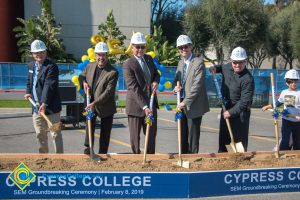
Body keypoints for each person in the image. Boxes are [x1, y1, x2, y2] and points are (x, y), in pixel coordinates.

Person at [210, 47, 254, 152]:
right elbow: (220, 67)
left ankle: (239, 163)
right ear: (231, 61)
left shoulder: (248, 79)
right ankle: (222, 160)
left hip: (240, 113)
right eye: (235, 62)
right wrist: (215, 68)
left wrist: (231, 112)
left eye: (241, 62)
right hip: (226, 107)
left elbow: (245, 101)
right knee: (224, 139)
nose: (237, 65)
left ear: (245, 61)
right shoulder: (227, 67)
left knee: (239, 143)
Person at [123, 32, 160, 154]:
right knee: (135, 139)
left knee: (151, 135)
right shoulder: (128, 64)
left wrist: (155, 81)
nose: (140, 49)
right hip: (136, 106)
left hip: (151, 104)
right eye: (137, 46)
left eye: (142, 46)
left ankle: (150, 159)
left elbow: (156, 74)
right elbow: (133, 87)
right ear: (132, 47)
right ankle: (137, 160)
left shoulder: (149, 59)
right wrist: (144, 106)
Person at [24, 39, 63, 153]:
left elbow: (49, 85)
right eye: (36, 53)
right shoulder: (31, 65)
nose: (39, 55)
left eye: (41, 52)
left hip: (51, 108)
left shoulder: (51, 66)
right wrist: (27, 91)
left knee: (55, 134)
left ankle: (60, 159)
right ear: (32, 54)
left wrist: (44, 103)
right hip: (36, 108)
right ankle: (44, 158)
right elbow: (29, 81)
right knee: (40, 134)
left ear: (45, 52)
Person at [79, 42, 119, 154]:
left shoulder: (113, 72)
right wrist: (83, 83)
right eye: (98, 55)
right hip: (90, 103)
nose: (101, 58)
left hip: (105, 105)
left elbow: (108, 92)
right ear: (95, 55)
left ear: (107, 56)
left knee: (105, 132)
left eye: (103, 55)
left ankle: (103, 153)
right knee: (89, 125)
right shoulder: (89, 66)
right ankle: (88, 148)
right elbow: (81, 76)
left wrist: (94, 103)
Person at [173, 35, 210, 154]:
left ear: (191, 46)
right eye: (180, 47)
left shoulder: (198, 63)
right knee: (182, 134)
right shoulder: (180, 63)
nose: (183, 49)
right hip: (181, 104)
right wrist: (175, 88)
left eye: (186, 46)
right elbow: (176, 80)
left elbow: (197, 86)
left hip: (193, 105)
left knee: (193, 137)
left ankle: (193, 159)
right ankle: (183, 156)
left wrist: (185, 102)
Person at [262, 69, 300, 150]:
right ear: (287, 82)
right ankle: (284, 155)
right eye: (291, 82)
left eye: (295, 81)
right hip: (286, 120)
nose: (294, 84)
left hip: (297, 121)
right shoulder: (284, 92)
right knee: (285, 140)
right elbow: (278, 103)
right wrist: (268, 106)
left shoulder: (299, 93)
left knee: (297, 142)